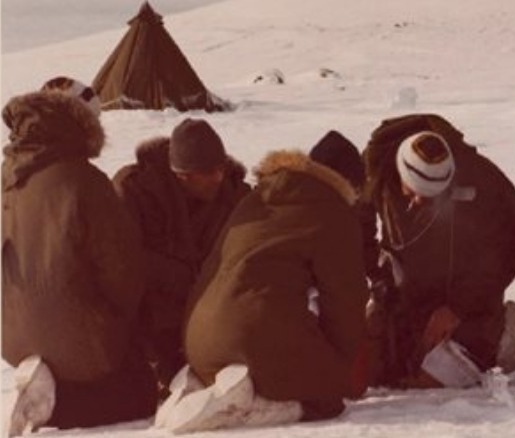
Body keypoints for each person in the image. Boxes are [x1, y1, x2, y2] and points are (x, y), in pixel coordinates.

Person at [152, 131, 369, 434]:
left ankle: (199, 384)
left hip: (197, 339)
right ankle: (247, 405)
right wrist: (338, 368)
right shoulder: (332, 211)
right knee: (327, 397)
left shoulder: (257, 197)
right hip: (247, 338)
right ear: (349, 184)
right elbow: (345, 299)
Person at [2, 77, 157, 435]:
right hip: (78, 339)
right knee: (139, 392)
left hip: (13, 336)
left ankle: (40, 391)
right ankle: (56, 406)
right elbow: (123, 271)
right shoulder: (85, 181)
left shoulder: (8, 178)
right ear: (83, 125)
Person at [361, 113, 515, 389]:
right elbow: (356, 231)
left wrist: (458, 306)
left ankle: (504, 335)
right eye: (411, 192)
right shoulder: (374, 171)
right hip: (406, 294)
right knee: (375, 376)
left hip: (469, 299)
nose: (416, 203)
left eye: (428, 198)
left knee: (430, 383)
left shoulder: (484, 181)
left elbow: (505, 253)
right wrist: (379, 274)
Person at [112, 118, 251, 396]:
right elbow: (122, 257)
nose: (218, 178)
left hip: (211, 307)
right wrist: (184, 275)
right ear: (182, 174)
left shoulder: (233, 194)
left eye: (220, 169)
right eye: (208, 172)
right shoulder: (135, 191)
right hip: (153, 313)